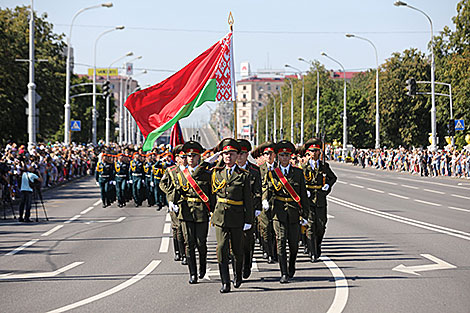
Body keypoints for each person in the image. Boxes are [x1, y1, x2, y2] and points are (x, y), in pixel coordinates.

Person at [263, 140, 309, 283]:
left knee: (294, 244)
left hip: (294, 213)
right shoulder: (273, 174)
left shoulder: (298, 173)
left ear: (290, 157)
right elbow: (268, 190)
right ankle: (283, 272)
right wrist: (265, 200)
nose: (284, 158)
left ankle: (292, 265)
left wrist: (305, 215)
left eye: (287, 155)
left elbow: (302, 194)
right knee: (281, 241)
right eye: (282, 155)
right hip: (279, 213)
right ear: (278, 157)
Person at [211, 138, 253, 293]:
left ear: (237, 156)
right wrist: (209, 159)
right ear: (222, 155)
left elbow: (248, 200)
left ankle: (237, 274)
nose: (228, 156)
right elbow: (210, 194)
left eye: (232, 153)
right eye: (225, 153)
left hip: (237, 217)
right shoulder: (216, 173)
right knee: (221, 248)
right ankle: (225, 282)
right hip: (220, 217)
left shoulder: (243, 175)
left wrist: (249, 220)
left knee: (237, 249)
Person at [174, 141, 214, 284]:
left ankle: (202, 266)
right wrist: (173, 203)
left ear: (199, 157)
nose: (190, 158)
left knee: (201, 242)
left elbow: (212, 193)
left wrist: (213, 210)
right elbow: (176, 191)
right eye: (188, 156)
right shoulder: (180, 173)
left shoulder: (206, 174)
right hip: (185, 212)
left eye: (194, 156)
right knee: (189, 243)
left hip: (201, 212)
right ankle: (193, 273)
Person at [302, 138, 337, 262]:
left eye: (316, 151)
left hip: (321, 200)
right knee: (310, 226)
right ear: (308, 153)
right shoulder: (304, 167)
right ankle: (312, 252)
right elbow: (300, 182)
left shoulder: (324, 166)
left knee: (321, 226)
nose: (314, 153)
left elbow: (333, 178)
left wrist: (327, 185)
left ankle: (317, 245)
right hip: (309, 200)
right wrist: (304, 191)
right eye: (312, 151)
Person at [236, 139, 262, 279]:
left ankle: (247, 264)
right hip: (233, 210)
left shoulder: (254, 170)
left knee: (247, 241)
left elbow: (258, 189)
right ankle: (236, 271)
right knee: (233, 243)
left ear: (247, 154)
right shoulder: (227, 169)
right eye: (237, 153)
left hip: (248, 211)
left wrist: (257, 206)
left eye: (243, 153)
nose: (239, 156)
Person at [160, 145, 187, 264]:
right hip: (175, 203)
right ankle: (180, 252)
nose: (185, 159)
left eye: (186, 157)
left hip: (187, 203)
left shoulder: (191, 170)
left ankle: (186, 252)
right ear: (177, 158)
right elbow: (162, 184)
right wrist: (170, 196)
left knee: (187, 230)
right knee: (177, 228)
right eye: (182, 157)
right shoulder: (171, 171)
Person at [258, 141, 278, 264]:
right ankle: (268, 252)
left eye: (271, 153)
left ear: (275, 155)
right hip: (263, 204)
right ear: (263, 156)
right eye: (266, 154)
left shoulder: (279, 168)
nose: (269, 156)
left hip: (277, 203)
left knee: (276, 230)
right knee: (265, 229)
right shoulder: (259, 169)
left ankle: (275, 253)